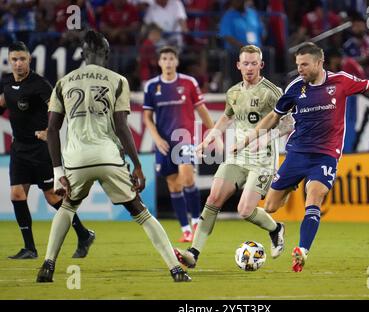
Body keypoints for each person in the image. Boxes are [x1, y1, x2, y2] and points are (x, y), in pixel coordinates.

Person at [237, 42, 369, 272]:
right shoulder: (295, 88)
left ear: (319, 63)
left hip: (326, 154)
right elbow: (273, 117)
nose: (300, 69)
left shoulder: (341, 82)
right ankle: (291, 190)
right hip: (297, 152)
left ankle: (302, 250)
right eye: (298, 65)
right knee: (270, 206)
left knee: (315, 194)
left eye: (304, 65)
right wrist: (247, 139)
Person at [36, 30, 191, 282]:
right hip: (107, 155)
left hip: (76, 159)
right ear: (107, 54)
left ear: (83, 54)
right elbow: (121, 127)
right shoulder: (118, 80)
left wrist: (57, 171)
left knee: (67, 207)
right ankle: (176, 269)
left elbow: (52, 130)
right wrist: (137, 165)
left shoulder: (64, 82)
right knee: (140, 212)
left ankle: (47, 266)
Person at [173, 45, 291, 269]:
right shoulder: (234, 92)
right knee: (213, 198)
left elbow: (289, 123)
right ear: (238, 65)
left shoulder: (272, 91)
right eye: (245, 63)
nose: (249, 68)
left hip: (263, 160)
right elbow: (227, 118)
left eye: (254, 63)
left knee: (245, 211)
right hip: (238, 157)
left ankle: (276, 229)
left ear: (261, 65)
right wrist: (208, 139)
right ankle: (193, 253)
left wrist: (266, 138)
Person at [0, 41, 95, 260]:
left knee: (52, 197)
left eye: (22, 59)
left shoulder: (40, 84)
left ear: (29, 60)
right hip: (19, 147)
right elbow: (5, 101)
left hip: (40, 148)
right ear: (9, 61)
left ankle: (83, 234)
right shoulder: (5, 82)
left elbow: (58, 107)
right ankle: (30, 249)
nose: (18, 63)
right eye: (14, 59)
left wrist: (48, 130)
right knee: (16, 193)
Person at [143, 46, 214, 243]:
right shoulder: (151, 86)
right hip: (164, 142)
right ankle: (186, 229)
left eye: (171, 58)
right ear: (159, 62)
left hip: (185, 139)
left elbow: (202, 110)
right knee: (173, 185)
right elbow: (147, 117)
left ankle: (196, 221)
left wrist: (215, 133)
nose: (167, 62)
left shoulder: (188, 82)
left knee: (187, 176)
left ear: (176, 61)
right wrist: (156, 139)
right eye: (164, 58)